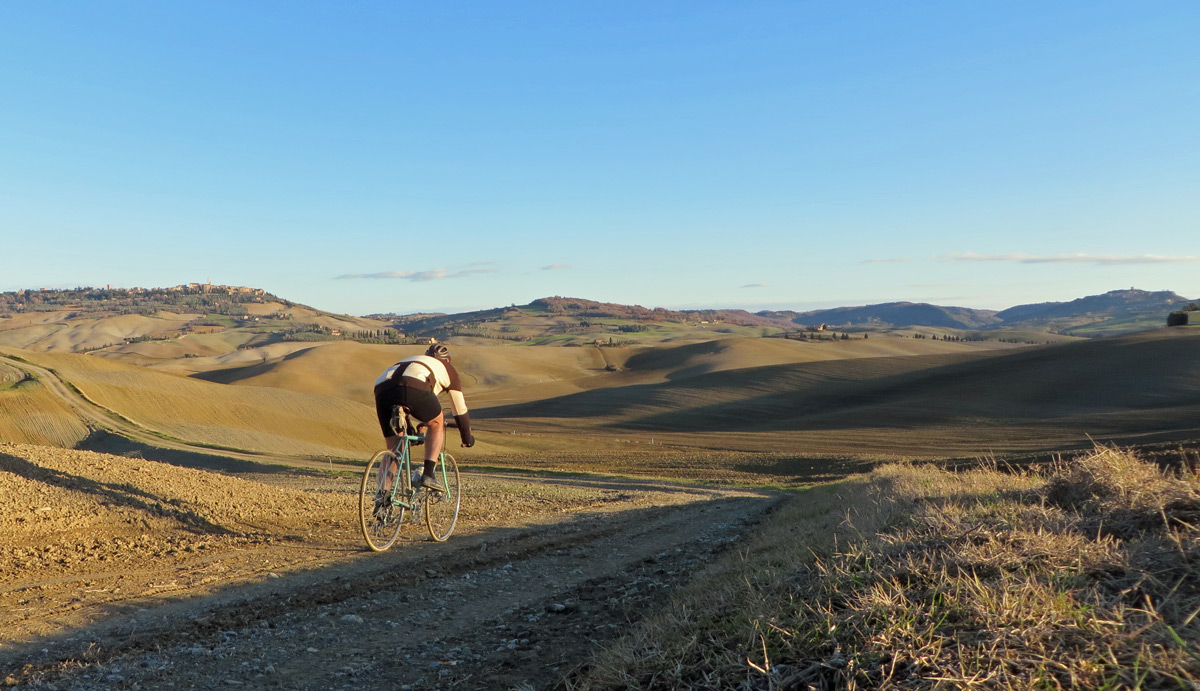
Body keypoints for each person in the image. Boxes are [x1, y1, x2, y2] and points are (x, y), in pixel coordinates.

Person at [373, 341, 475, 492]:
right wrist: (467, 437)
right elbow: (459, 409)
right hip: (414, 386)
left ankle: (382, 498)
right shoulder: (448, 369)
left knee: (394, 448)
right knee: (437, 422)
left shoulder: (415, 359)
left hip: (382, 389)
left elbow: (402, 388)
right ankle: (428, 474)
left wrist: (409, 425)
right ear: (447, 360)